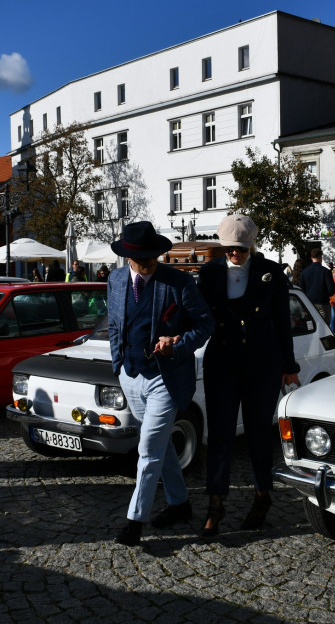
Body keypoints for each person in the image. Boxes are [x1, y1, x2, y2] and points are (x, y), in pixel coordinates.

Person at [107, 222, 213, 547]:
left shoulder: (178, 282)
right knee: (162, 444)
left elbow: (205, 324)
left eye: (155, 255)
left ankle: (134, 523)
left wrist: (178, 343)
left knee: (148, 449)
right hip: (131, 375)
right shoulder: (115, 280)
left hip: (165, 379)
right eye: (144, 258)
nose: (152, 261)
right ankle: (180, 504)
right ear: (128, 257)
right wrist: (118, 365)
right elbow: (114, 325)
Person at [198, 215, 299, 536]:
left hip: (262, 364)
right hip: (222, 362)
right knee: (220, 436)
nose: (234, 254)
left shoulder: (270, 272)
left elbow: (283, 322)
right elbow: (196, 315)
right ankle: (215, 505)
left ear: (251, 245)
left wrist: (289, 367)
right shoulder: (209, 272)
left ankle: (262, 496)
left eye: (240, 249)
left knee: (258, 435)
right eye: (229, 248)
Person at [300, 248, 335, 321]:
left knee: (312, 329)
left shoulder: (304, 272)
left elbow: (301, 289)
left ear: (311, 258)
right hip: (322, 303)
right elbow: (331, 290)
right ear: (320, 257)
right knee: (324, 329)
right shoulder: (326, 272)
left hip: (309, 303)